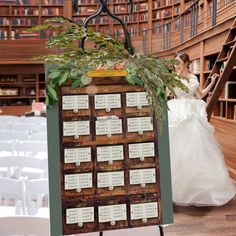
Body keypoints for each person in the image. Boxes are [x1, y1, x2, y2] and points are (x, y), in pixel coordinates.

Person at [168, 51, 236, 206]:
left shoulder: (193, 78)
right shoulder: (172, 78)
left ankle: (200, 189)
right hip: (177, 111)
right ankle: (173, 188)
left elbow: (200, 95)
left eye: (178, 62)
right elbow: (166, 93)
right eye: (174, 63)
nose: (176, 65)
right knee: (176, 148)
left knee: (196, 149)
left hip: (192, 112)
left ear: (186, 62)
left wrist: (211, 82)